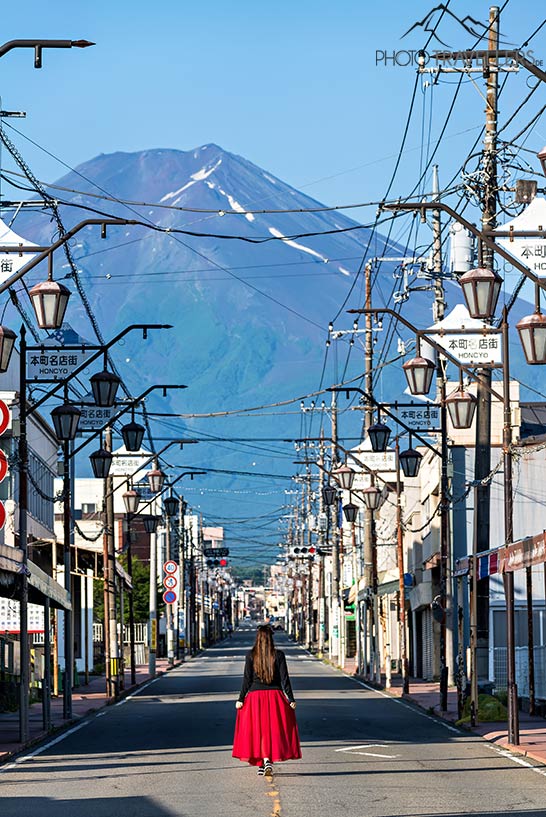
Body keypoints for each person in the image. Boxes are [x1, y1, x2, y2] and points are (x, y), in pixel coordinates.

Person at [232, 625, 301, 776]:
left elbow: (247, 679)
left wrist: (241, 698)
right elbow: (285, 679)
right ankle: (267, 760)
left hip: (255, 698)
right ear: (271, 638)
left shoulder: (251, 655)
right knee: (273, 730)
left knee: (259, 731)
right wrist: (290, 698)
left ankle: (264, 761)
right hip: (275, 697)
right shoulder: (279, 655)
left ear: (258, 638)